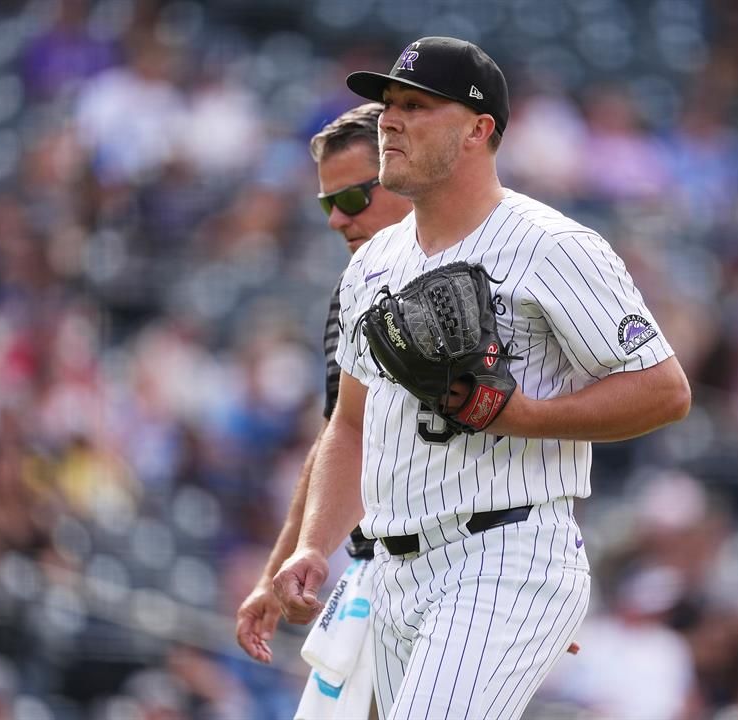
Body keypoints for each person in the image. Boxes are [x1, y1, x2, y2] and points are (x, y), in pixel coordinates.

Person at [273, 36, 692, 720]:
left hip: (505, 553)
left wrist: (525, 416)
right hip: (395, 573)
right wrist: (315, 547)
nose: (390, 120)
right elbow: (350, 424)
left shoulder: (551, 246)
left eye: (416, 105)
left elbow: (664, 389)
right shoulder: (373, 263)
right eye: (387, 106)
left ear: (478, 129)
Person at [234, 103, 412, 666]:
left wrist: (528, 581)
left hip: (465, 573)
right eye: (327, 204)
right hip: (377, 571)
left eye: (353, 197)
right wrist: (280, 566)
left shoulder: (497, 271)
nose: (338, 219)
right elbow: (341, 434)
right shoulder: (354, 290)